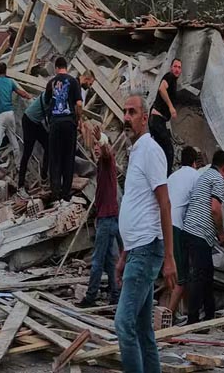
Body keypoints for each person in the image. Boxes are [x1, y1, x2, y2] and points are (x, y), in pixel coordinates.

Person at [115, 94, 177, 373]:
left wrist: (169, 257)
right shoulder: (137, 151)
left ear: (145, 117)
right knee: (142, 329)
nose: (126, 117)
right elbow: (140, 207)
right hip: (137, 248)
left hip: (146, 249)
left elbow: (164, 202)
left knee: (123, 323)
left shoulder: (151, 150)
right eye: (125, 112)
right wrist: (123, 255)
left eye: (132, 112)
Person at [182, 149, 224, 324]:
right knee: (200, 276)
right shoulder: (217, 179)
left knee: (207, 273)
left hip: (190, 229)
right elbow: (215, 209)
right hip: (199, 231)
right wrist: (222, 233)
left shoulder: (204, 176)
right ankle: (192, 320)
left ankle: (209, 315)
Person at [78, 135, 122, 307]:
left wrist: (101, 141)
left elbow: (107, 153)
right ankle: (115, 295)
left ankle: (90, 297)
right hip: (109, 217)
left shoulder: (107, 161)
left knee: (97, 261)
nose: (96, 147)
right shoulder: (101, 166)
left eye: (99, 144)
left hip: (107, 219)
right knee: (110, 260)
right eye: (94, 144)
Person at [165, 146, 200, 314]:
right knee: (182, 277)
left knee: (173, 270)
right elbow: (198, 205)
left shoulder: (172, 176)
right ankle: (167, 317)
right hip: (177, 226)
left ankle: (185, 311)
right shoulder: (195, 176)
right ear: (195, 163)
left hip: (162, 224)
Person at [45, 57, 82, 201]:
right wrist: (77, 120)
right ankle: (65, 194)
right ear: (66, 67)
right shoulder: (73, 82)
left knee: (55, 158)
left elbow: (47, 102)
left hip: (55, 124)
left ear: (56, 68)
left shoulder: (51, 83)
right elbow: (78, 104)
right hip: (69, 123)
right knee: (68, 158)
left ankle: (55, 193)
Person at [0, 62, 30, 173]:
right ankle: (18, 166)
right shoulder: (10, 82)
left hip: (1, 115)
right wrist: (29, 96)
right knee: (13, 141)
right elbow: (21, 92)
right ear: (6, 71)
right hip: (10, 114)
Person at [149, 58, 182, 173]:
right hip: (157, 120)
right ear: (171, 68)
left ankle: (156, 173)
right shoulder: (169, 77)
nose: (177, 69)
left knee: (159, 150)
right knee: (169, 151)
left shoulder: (173, 81)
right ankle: (166, 178)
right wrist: (171, 107)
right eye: (175, 66)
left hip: (156, 120)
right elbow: (162, 89)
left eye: (179, 67)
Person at [19, 87, 50, 197]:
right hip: (29, 121)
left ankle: (44, 176)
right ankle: (20, 186)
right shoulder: (51, 96)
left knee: (48, 146)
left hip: (36, 122)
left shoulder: (53, 93)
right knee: (27, 153)